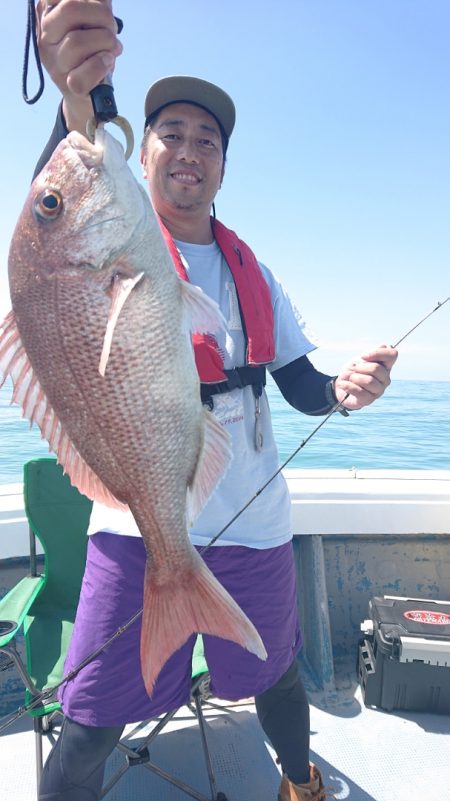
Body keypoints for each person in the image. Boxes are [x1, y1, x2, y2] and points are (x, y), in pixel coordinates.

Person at [34, 3, 397, 800]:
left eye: (208, 140)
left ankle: (299, 782)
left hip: (254, 522)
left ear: (224, 168)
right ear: (140, 152)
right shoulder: (108, 242)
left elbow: (300, 385)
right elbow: (63, 191)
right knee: (90, 719)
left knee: (278, 677)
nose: (189, 151)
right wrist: (75, 94)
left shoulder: (254, 272)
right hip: (135, 527)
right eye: (171, 133)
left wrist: (343, 391)